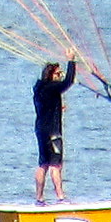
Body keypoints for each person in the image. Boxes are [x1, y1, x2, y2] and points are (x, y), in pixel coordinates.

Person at [33, 59, 77, 203]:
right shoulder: (52, 87)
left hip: (40, 130)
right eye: (58, 74)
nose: (60, 76)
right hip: (53, 132)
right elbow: (69, 81)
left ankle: (39, 198)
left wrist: (58, 108)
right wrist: (71, 60)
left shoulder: (39, 88)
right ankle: (60, 197)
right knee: (55, 165)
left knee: (43, 164)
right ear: (51, 75)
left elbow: (46, 105)